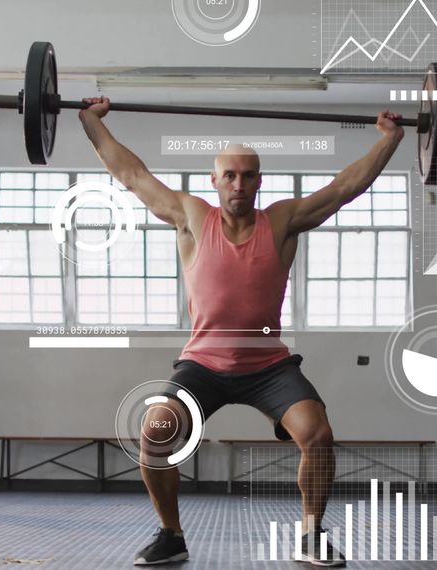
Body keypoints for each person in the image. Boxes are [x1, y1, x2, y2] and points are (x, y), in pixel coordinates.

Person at [79, 97, 404, 567]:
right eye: (229, 175)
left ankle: (312, 535)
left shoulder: (280, 221)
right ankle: (170, 535)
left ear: (259, 180)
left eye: (248, 175)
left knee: (317, 434)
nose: (238, 184)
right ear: (215, 181)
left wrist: (389, 140)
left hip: (267, 364)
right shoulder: (191, 217)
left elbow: (343, 189)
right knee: (155, 433)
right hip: (203, 365)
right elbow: (131, 175)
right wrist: (92, 123)